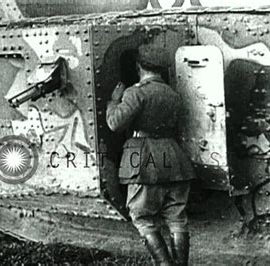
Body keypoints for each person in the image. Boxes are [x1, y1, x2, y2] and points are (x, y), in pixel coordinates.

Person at [106, 44, 195, 266]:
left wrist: (113, 101)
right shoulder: (172, 93)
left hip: (144, 159)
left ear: (139, 67)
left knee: (142, 217)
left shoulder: (136, 92)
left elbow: (115, 124)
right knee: (177, 216)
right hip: (173, 157)